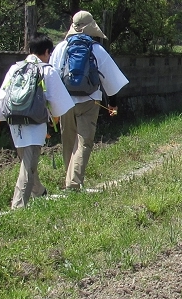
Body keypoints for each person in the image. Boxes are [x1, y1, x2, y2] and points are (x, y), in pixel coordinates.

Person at [0, 34, 74, 209]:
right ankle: (18, 206)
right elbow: (59, 102)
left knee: (26, 161)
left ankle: (39, 191)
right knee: (29, 164)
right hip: (35, 122)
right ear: (47, 51)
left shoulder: (15, 68)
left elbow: (3, 94)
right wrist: (53, 120)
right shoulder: (46, 70)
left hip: (14, 122)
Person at [50, 11, 129, 190]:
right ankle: (74, 183)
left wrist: (52, 106)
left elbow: (53, 77)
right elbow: (110, 79)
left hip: (65, 102)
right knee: (84, 142)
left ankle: (68, 180)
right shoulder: (96, 49)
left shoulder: (61, 48)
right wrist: (112, 103)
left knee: (68, 140)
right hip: (90, 101)